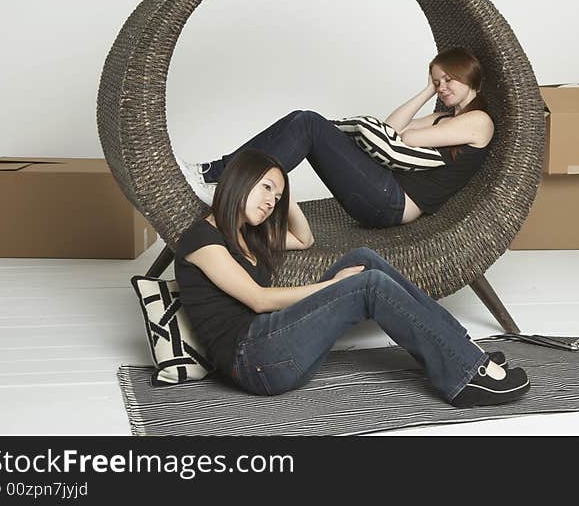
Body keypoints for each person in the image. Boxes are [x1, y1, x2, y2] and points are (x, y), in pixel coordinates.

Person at [174, 148, 530, 407]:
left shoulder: (247, 232)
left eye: (276, 195)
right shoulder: (201, 240)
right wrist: (335, 285)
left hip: (271, 345)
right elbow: (258, 300)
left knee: (364, 259)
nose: (271, 202)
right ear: (239, 180)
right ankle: (466, 377)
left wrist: (286, 193)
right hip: (253, 362)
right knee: (367, 285)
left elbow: (304, 239)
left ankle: (461, 350)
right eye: (265, 188)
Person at [176, 47, 494, 228]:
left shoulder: (479, 121)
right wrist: (426, 91)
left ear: (470, 78)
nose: (442, 87)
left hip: (392, 203)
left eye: (449, 79)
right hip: (380, 188)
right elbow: (392, 130)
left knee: (310, 124)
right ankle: (217, 173)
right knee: (303, 121)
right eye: (438, 81)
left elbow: (407, 140)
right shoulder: (441, 117)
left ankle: (221, 178)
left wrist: (409, 134)